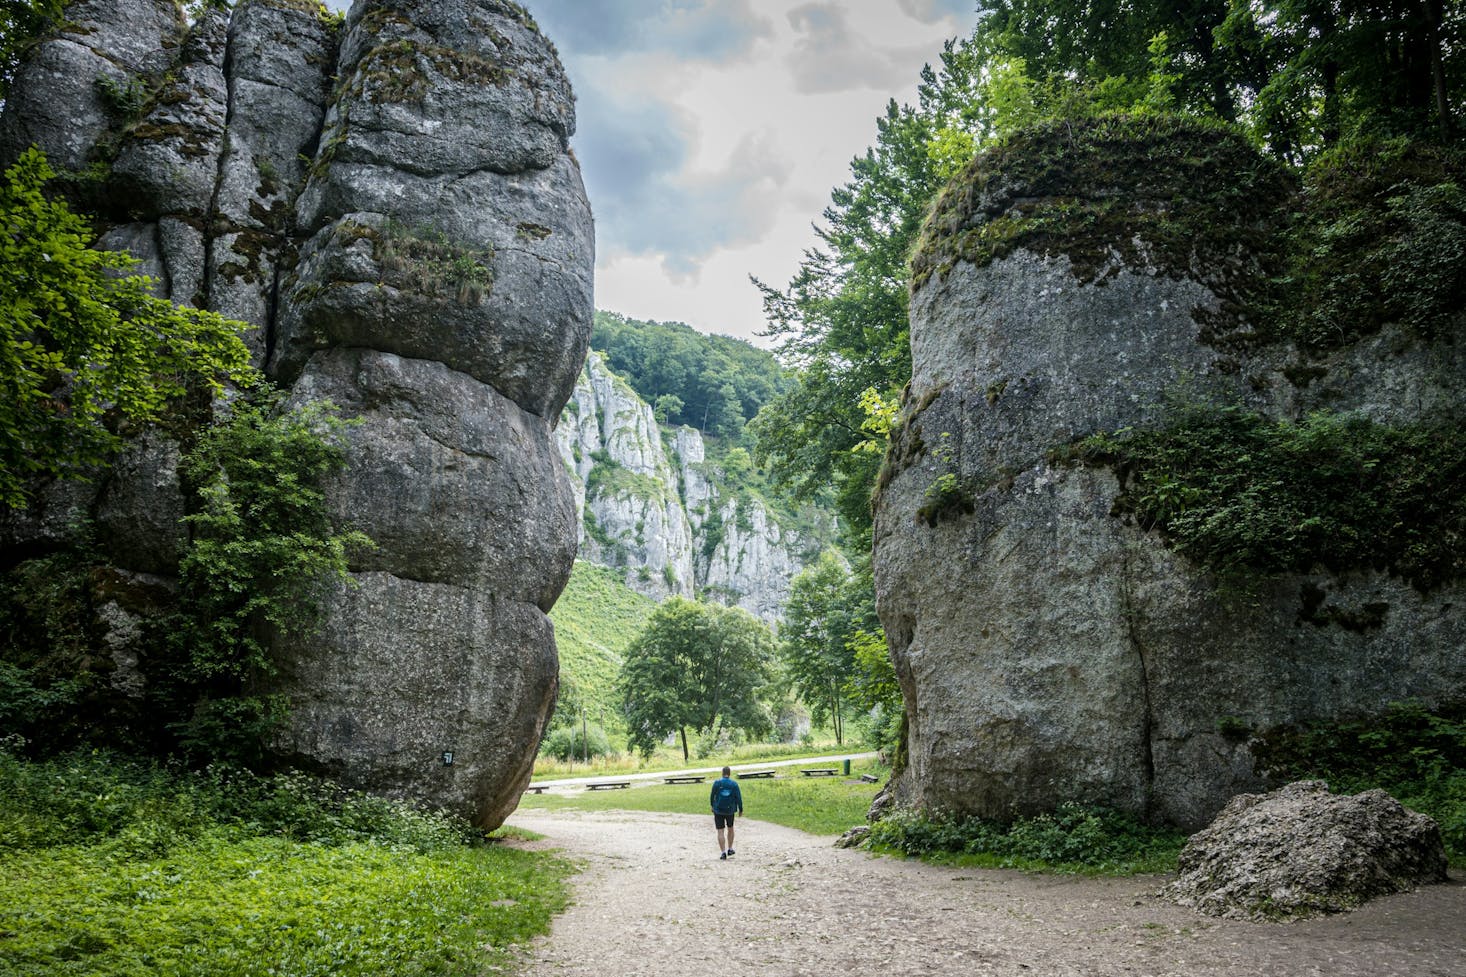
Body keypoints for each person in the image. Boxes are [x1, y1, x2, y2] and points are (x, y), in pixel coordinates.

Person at [709, 766, 743, 859]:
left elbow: (712, 795)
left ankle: (723, 852)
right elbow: (738, 797)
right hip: (730, 810)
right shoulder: (734, 784)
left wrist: (712, 805)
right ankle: (730, 848)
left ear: (722, 773)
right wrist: (740, 809)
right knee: (730, 828)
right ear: (729, 773)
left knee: (720, 831)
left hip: (718, 810)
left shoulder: (717, 783)